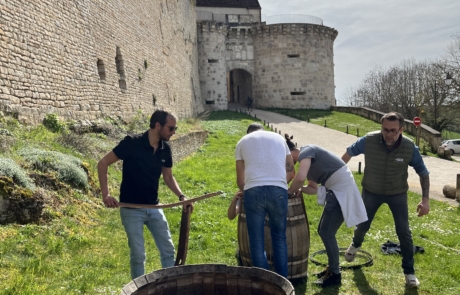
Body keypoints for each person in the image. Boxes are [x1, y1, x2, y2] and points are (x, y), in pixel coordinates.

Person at [97, 109, 191, 279]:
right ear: (157, 125)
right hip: (131, 209)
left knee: (168, 250)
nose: (174, 132)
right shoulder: (132, 143)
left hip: (154, 206)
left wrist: (182, 196)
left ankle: (170, 287)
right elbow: (103, 163)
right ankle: (139, 290)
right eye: (171, 128)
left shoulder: (165, 149)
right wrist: (106, 194)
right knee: (138, 255)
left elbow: (168, 177)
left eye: (175, 129)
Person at [341, 111, 430, 288]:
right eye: (385, 130)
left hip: (397, 193)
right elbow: (348, 153)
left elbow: (423, 173)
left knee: (404, 232)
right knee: (362, 225)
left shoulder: (409, 147)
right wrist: (337, 177)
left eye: (393, 130)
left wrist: (425, 199)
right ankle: (355, 245)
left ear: (401, 130)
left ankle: (409, 273)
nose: (388, 134)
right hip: (371, 191)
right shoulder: (369, 140)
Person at [286, 135, 367, 287]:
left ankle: (335, 274)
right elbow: (312, 188)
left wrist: (289, 192)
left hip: (340, 190)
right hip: (336, 190)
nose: (288, 162)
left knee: (327, 233)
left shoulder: (306, 151)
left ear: (289, 152)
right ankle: (332, 269)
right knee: (324, 231)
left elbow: (300, 178)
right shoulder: (307, 161)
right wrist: (300, 190)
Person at [235, 123, 295, 277]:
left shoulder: (242, 141)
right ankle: (282, 283)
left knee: (256, 242)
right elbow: (291, 172)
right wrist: (279, 184)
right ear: (263, 130)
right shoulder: (280, 139)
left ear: (249, 132)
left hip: (253, 190)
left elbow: (241, 181)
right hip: (278, 190)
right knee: (279, 237)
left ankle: (266, 283)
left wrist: (245, 190)